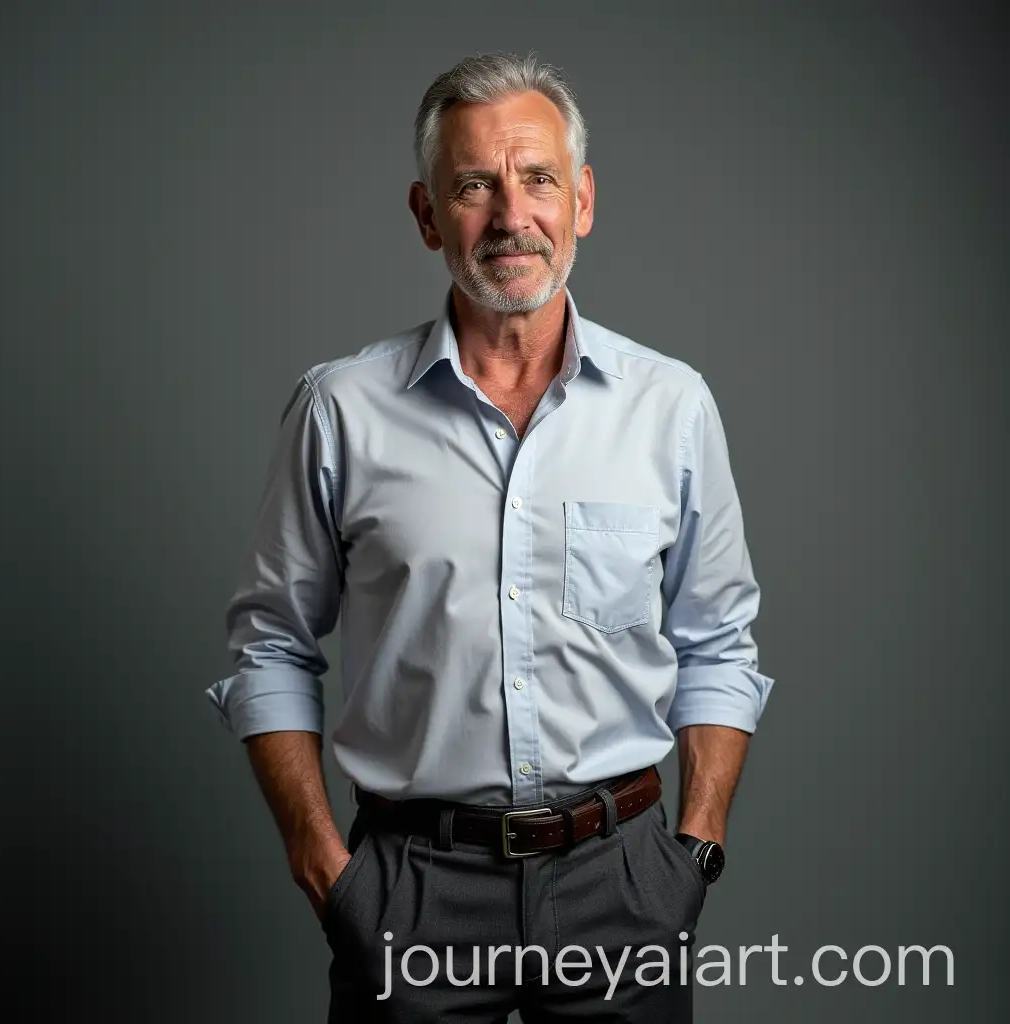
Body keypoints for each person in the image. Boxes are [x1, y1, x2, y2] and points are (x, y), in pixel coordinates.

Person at [206, 51, 774, 1023]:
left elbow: (718, 641)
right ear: (428, 215)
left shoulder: (670, 408)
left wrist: (696, 847)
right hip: (410, 891)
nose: (512, 216)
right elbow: (269, 645)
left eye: (539, 179)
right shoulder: (341, 410)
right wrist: (324, 865)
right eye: (475, 185)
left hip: (625, 883)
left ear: (582, 199)